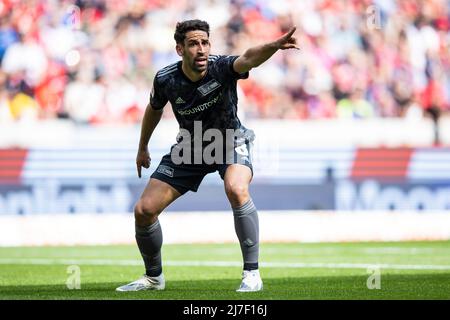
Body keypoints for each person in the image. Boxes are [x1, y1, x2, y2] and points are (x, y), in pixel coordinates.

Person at [116, 19, 299, 292]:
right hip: (190, 146)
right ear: (180, 50)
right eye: (193, 44)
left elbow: (249, 58)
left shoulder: (221, 67)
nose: (201, 49)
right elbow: (153, 108)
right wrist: (143, 147)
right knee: (144, 211)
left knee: (236, 189)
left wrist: (273, 46)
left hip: (229, 140)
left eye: (205, 42)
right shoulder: (166, 78)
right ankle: (154, 278)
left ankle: (252, 274)